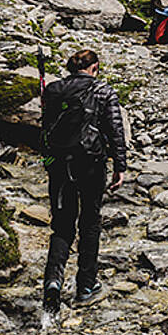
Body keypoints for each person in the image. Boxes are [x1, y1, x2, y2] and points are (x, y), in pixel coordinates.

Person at [39, 49, 128, 315]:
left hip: (59, 164)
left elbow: (44, 126)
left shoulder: (53, 90)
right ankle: (86, 287)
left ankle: (53, 282)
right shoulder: (103, 91)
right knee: (90, 222)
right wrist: (120, 167)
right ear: (94, 68)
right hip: (91, 164)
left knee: (62, 226)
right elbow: (115, 130)